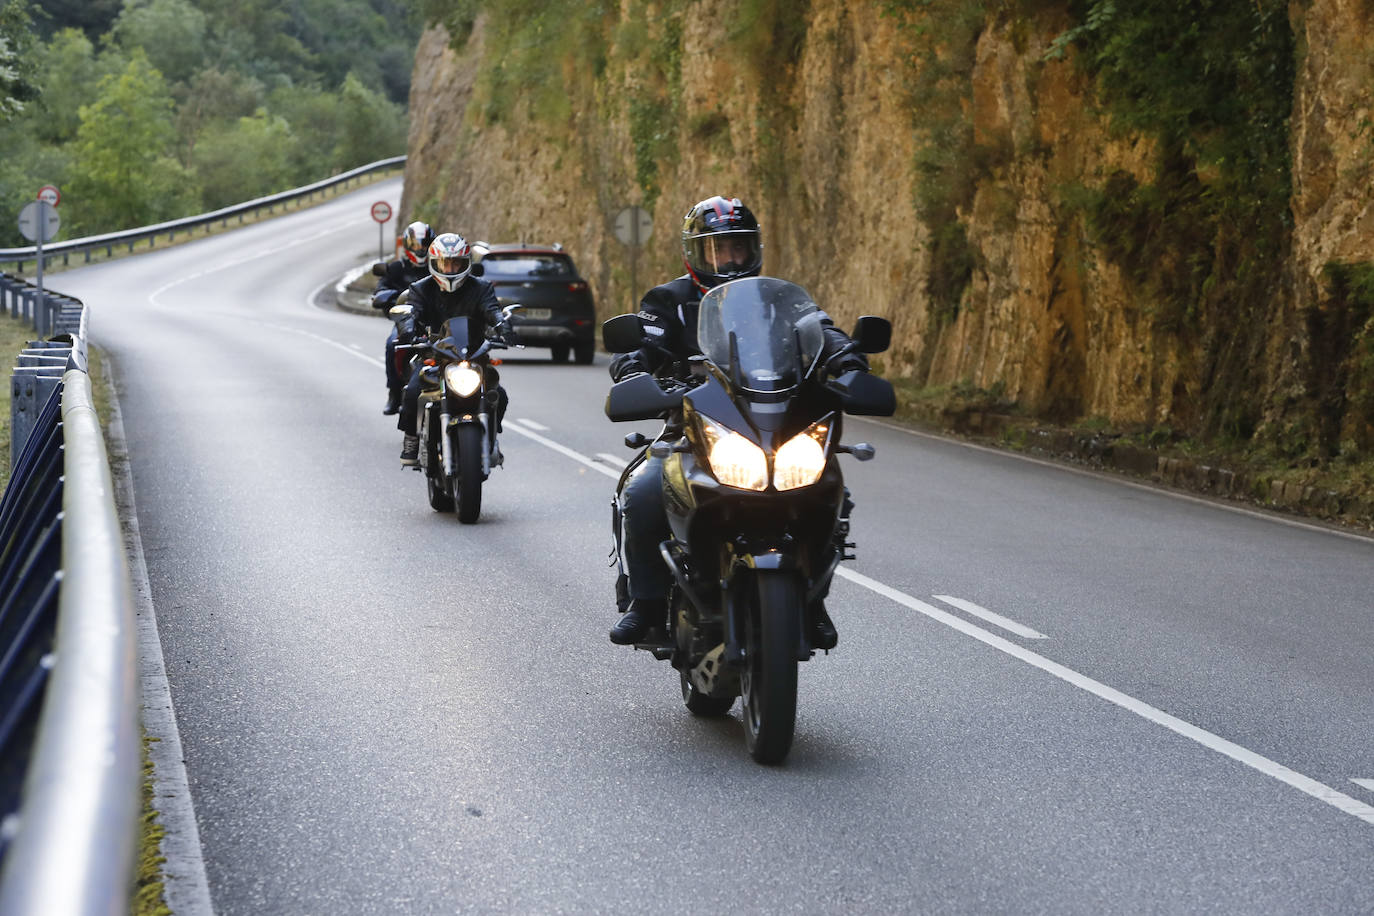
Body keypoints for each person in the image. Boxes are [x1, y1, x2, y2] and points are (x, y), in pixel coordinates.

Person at [607, 195, 871, 647]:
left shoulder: (778, 300)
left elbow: (821, 331)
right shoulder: (667, 301)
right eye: (717, 248)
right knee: (645, 490)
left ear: (754, 249)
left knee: (827, 490)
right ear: (695, 253)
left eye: (738, 247)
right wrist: (634, 370)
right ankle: (647, 604)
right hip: (692, 425)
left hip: (772, 420)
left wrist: (848, 360)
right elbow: (640, 348)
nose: (729, 258)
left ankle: (811, 598)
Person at [397, 232, 511, 465]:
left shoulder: (481, 288)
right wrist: (408, 328)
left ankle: (490, 440)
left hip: (474, 354)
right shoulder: (421, 288)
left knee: (499, 395)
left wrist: (502, 325)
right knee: (412, 392)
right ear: (434, 264)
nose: (449, 268)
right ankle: (411, 438)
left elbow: (492, 309)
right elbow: (412, 311)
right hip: (435, 354)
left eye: (455, 262)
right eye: (444, 263)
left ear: (465, 263)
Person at [374, 221, 434, 415]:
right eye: (416, 245)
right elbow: (381, 288)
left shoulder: (438, 266)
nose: (420, 249)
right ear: (408, 246)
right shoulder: (397, 268)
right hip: (406, 320)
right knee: (393, 344)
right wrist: (387, 296)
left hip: (435, 319)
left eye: (424, 244)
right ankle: (394, 392)